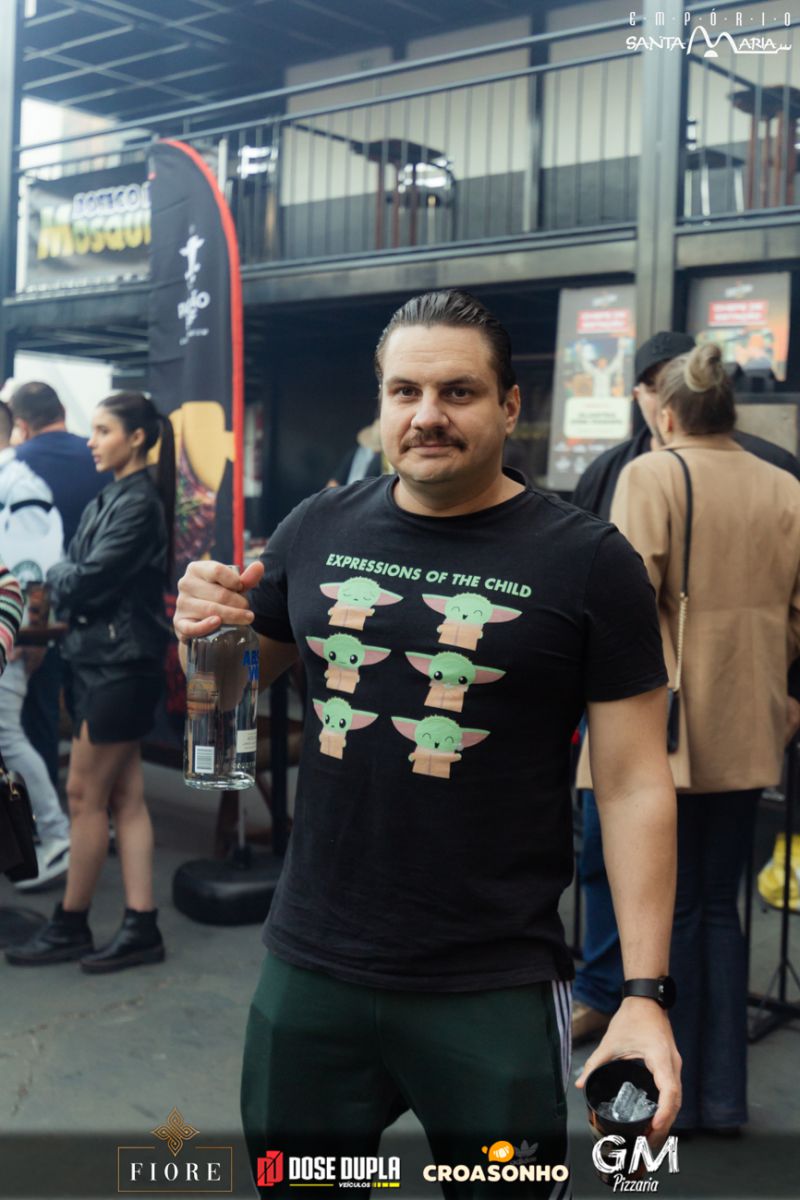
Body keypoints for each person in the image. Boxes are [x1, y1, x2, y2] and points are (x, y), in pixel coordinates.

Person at [174, 291, 681, 1196]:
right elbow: (243, 684)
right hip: (312, 965)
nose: (427, 416)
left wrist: (642, 996)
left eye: (459, 392)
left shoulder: (590, 561)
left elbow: (636, 783)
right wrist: (205, 632)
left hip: (491, 980)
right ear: (380, 403)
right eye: (404, 391)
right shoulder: (316, 526)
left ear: (510, 405)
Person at [570, 330, 800, 1048]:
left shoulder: (650, 474)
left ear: (666, 412)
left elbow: (623, 604)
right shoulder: (786, 483)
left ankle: (661, 1067)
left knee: (650, 899)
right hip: (750, 724)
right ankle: (717, 1087)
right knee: (716, 905)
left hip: (655, 726)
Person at [6, 392, 174, 973]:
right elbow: (78, 572)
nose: (90, 441)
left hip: (118, 666)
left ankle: (70, 923)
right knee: (124, 798)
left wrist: (57, 572)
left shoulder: (139, 504)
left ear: (136, 437)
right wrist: (65, 572)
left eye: (103, 431)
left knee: (84, 797)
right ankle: (141, 925)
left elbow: (84, 578)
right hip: (108, 662)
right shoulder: (117, 495)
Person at [9, 381, 111, 790]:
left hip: (39, 610)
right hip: (98, 609)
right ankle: (94, 806)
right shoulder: (99, 457)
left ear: (21, 424)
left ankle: (35, 811)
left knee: (36, 714)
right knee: (92, 719)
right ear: (62, 411)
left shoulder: (16, 464)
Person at [0, 399, 70, 888]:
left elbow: (31, 569)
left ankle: (55, 833)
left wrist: (26, 634)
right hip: (15, 633)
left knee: (7, 735)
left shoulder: (20, 484)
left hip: (14, 637)